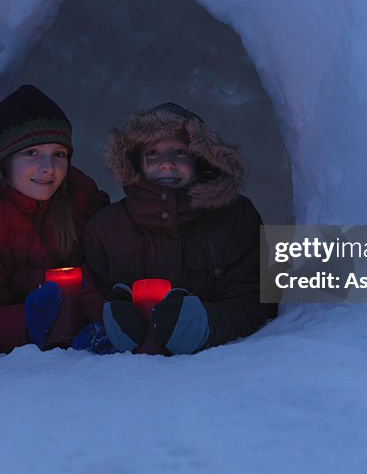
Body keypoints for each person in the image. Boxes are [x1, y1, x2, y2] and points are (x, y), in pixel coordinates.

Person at [84, 102, 276, 355]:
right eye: (153, 153)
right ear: (135, 161)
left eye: (180, 152)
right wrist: (116, 324)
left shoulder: (236, 216)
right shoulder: (106, 227)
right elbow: (94, 298)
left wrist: (207, 324)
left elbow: (256, 299)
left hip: (220, 370)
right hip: (130, 377)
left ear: (200, 159)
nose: (167, 163)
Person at [0, 85, 110, 353]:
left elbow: (103, 266)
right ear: (3, 160)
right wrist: (28, 324)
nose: (48, 168)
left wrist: (100, 315)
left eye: (59, 154)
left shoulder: (79, 195)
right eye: (32, 153)